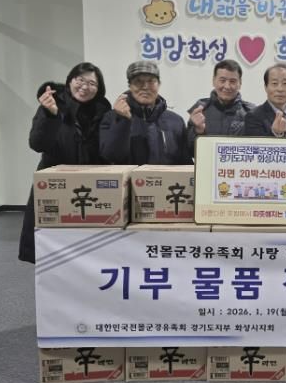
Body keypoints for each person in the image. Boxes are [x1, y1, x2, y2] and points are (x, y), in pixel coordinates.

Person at [18, 62, 111, 263]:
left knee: (90, 250)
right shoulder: (53, 105)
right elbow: (37, 144)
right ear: (70, 81)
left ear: (99, 88)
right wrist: (50, 115)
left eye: (92, 83)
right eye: (80, 80)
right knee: (51, 247)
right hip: (55, 185)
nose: (85, 87)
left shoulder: (103, 110)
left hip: (91, 186)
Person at [99, 61, 192, 165]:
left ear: (159, 84)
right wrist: (123, 120)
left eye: (151, 81)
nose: (145, 87)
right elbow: (111, 156)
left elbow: (185, 163)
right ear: (130, 86)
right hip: (128, 176)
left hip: (166, 176)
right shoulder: (111, 117)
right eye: (138, 81)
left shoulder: (175, 121)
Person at [187, 59, 255, 155]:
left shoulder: (251, 113)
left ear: (240, 83)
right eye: (222, 80)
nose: (227, 86)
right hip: (208, 164)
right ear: (213, 81)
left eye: (232, 81)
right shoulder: (200, 110)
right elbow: (189, 152)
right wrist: (198, 131)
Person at [244, 64, 286, 137]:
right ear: (266, 87)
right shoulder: (253, 117)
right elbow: (257, 144)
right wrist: (276, 133)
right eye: (274, 83)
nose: (280, 89)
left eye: (285, 83)